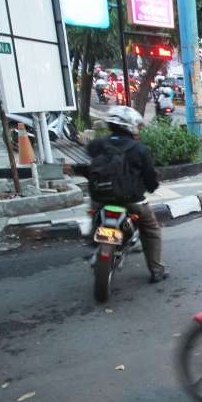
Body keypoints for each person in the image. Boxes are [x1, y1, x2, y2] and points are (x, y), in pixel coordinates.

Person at [74, 106, 167, 283]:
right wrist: (152, 186)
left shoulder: (98, 145)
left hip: (100, 199)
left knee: (93, 211)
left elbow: (90, 164)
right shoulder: (140, 149)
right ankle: (156, 269)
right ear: (130, 126)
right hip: (132, 201)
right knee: (151, 230)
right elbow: (150, 177)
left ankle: (94, 240)